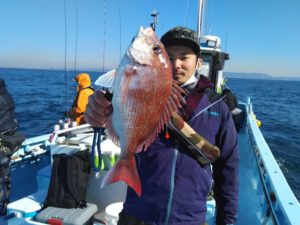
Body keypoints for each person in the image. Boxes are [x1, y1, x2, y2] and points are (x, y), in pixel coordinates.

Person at [84, 26, 239, 225]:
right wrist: (96, 111)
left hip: (190, 219)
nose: (177, 64)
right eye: (170, 56)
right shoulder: (141, 83)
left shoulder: (218, 107)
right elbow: (112, 109)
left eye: (185, 57)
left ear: (199, 62)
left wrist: (227, 221)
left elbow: (228, 169)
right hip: (137, 214)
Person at [0, 79, 25, 216]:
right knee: (4, 177)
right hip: (7, 141)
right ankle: (4, 209)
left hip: (3, 142)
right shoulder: (5, 94)